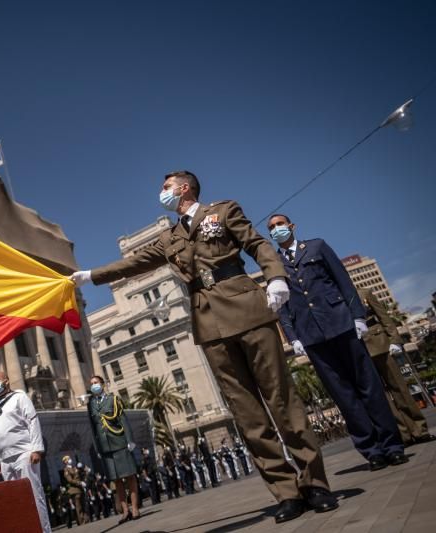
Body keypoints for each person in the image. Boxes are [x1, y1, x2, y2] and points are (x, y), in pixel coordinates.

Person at [72, 171, 336, 523]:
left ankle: (315, 484)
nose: (161, 192)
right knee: (249, 417)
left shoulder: (222, 212)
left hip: (246, 308)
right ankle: (286, 492)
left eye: (166, 186)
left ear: (184, 188)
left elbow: (256, 243)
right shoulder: (170, 237)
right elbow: (131, 264)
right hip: (209, 324)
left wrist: (275, 276)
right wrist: (89, 276)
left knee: (282, 400)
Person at [269, 214, 407, 471]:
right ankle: (372, 450)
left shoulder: (316, 246)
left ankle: (393, 446)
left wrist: (358, 317)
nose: (276, 229)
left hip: (342, 324)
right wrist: (293, 336)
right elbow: (282, 306)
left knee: (369, 387)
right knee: (344, 396)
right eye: (271, 228)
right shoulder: (274, 264)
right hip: (312, 336)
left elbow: (343, 280)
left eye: (280, 224)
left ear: (292, 226)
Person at [358, 288, 435, 446]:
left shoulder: (364, 293)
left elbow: (383, 317)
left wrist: (395, 340)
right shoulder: (337, 300)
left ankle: (419, 430)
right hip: (362, 352)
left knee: (400, 389)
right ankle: (402, 434)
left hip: (382, 345)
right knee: (382, 397)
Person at [0, 372, 50, 533]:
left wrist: (36, 449)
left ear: (6, 381)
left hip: (25, 454)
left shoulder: (19, 397)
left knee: (35, 496)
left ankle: (44, 530)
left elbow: (32, 421)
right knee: (16, 500)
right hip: (5, 460)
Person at [86, 376, 142, 523]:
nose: (94, 386)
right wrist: (97, 447)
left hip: (120, 441)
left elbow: (123, 419)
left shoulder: (113, 400)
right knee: (116, 480)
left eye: (96, 383)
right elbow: (93, 428)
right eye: (91, 384)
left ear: (102, 384)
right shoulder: (90, 403)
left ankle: (135, 508)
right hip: (105, 447)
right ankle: (125, 511)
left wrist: (130, 440)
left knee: (130, 476)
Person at [61, 456, 87, 525]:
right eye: (68, 459)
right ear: (65, 462)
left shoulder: (74, 468)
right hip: (74, 490)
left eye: (70, 458)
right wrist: (79, 483)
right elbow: (70, 480)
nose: (70, 460)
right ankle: (82, 521)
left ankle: (86, 519)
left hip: (80, 488)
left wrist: (82, 468)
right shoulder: (66, 470)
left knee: (83, 504)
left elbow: (80, 475)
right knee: (79, 507)